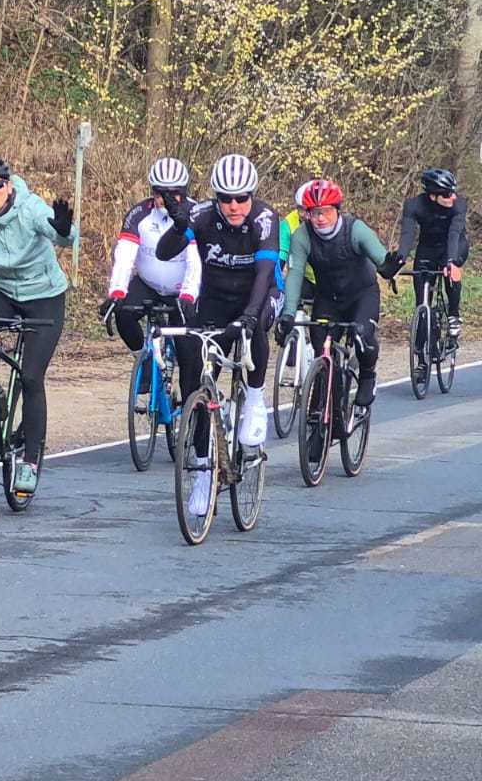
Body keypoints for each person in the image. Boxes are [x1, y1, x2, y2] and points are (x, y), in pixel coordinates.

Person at [156, 153, 278, 516]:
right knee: (194, 381)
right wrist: (179, 227)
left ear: (252, 196)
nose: (234, 206)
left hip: (258, 294)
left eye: (241, 198)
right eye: (226, 198)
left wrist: (249, 317)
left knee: (253, 329)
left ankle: (254, 399)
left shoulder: (264, 219)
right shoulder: (202, 215)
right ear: (215, 197)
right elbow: (164, 253)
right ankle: (203, 473)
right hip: (214, 300)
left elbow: (264, 275)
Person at [0, 155, 72, 494]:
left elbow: (62, 237)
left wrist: (62, 229)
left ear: (8, 186)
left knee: (31, 377)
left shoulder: (29, 207)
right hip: (5, 292)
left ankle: (31, 461)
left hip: (45, 295)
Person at [280, 180, 400, 443]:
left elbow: (380, 258)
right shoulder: (302, 236)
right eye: (314, 213)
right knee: (322, 352)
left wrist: (388, 266)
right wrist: (288, 313)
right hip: (328, 299)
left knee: (362, 336)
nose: (320, 218)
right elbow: (295, 273)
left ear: (337, 210)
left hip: (362, 295)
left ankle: (367, 375)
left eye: (325, 211)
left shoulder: (355, 230)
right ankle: (327, 415)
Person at [104, 157, 201, 356]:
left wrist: (189, 294)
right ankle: (143, 357)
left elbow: (195, 260)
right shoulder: (139, 214)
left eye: (173, 194)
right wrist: (117, 291)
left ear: (183, 192)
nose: (165, 200)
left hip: (183, 289)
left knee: (187, 356)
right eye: (159, 193)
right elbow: (125, 256)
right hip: (148, 285)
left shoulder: (196, 213)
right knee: (123, 313)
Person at [397, 167, 468, 346]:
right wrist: (399, 260)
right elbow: (407, 234)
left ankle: (453, 316)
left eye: (453, 192)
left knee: (451, 273)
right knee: (422, 295)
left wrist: (451, 262)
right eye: (447, 194)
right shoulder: (414, 205)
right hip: (427, 247)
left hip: (453, 245)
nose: (453, 197)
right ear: (432, 196)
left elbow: (454, 234)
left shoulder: (458, 205)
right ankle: (423, 340)